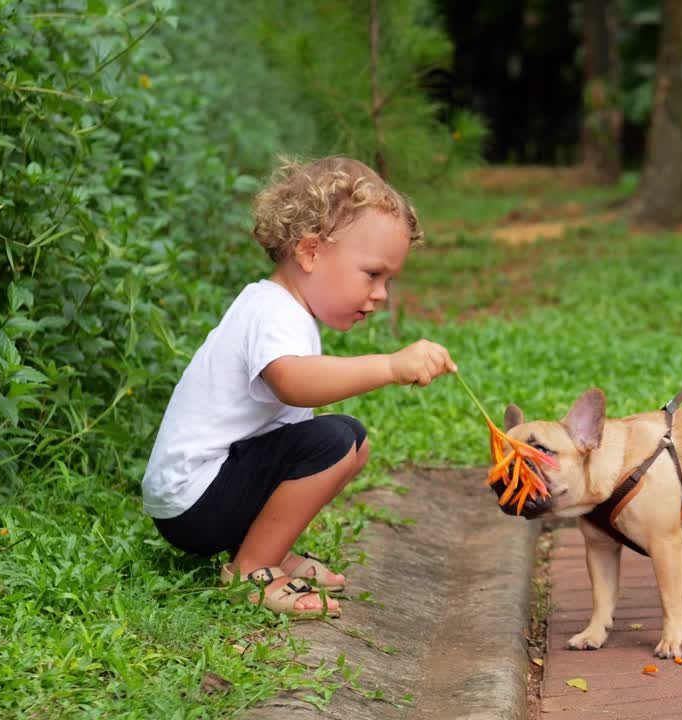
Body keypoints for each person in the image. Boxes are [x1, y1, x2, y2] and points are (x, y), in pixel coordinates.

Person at [142, 156, 457, 617]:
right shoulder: (274, 312)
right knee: (333, 440)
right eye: (372, 274)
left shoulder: (285, 309)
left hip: (205, 494)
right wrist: (388, 366)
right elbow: (293, 383)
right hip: (195, 499)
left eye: (388, 279)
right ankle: (252, 570)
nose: (382, 294)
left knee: (353, 443)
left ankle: (268, 548)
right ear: (311, 252)